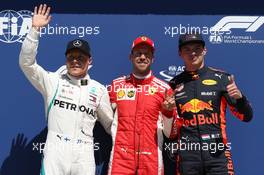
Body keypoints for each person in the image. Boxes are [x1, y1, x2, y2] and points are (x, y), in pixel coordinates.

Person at [19, 4, 113, 175]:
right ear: (66, 59)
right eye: (71, 57)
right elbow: (27, 64)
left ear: (89, 61)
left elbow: (111, 125)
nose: (75, 61)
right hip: (56, 151)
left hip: (84, 154)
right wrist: (34, 30)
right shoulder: (53, 81)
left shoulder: (98, 90)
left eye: (80, 57)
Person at [169, 32, 253, 175]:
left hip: (217, 156)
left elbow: (246, 116)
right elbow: (170, 129)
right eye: (187, 49)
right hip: (188, 157)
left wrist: (240, 99)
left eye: (197, 48)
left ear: (205, 50)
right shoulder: (173, 85)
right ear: (180, 53)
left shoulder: (222, 79)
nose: (192, 53)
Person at [107, 36, 178, 175]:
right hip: (120, 161)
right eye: (138, 53)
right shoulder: (117, 85)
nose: (142, 57)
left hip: (151, 162)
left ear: (153, 58)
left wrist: (168, 113)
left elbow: (170, 134)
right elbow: (105, 117)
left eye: (147, 54)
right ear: (130, 57)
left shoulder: (164, 89)